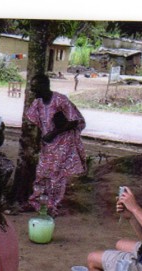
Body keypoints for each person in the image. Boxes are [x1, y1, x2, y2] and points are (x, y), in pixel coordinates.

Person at [23, 73, 86, 217]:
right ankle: (36, 201)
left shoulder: (60, 100)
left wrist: (55, 132)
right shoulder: (37, 103)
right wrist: (38, 141)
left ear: (45, 86)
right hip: (48, 144)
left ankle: (52, 206)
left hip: (64, 142)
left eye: (35, 87)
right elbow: (35, 123)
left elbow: (76, 120)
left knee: (56, 176)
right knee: (41, 173)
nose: (32, 91)